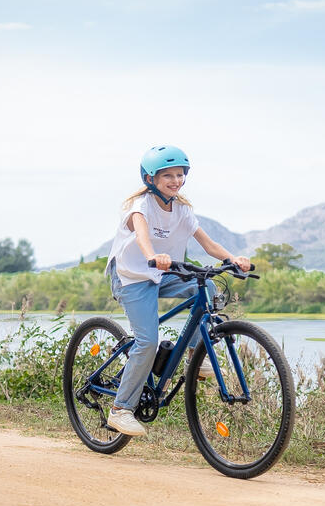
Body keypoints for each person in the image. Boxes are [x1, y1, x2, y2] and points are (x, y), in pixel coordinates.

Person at [104, 145, 251, 437]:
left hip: (163, 273)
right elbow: (143, 237)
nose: (175, 180)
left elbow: (208, 244)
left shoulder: (182, 209)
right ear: (150, 179)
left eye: (180, 175)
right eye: (167, 175)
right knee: (147, 341)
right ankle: (120, 410)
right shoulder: (140, 207)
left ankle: (196, 354)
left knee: (206, 285)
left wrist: (232, 259)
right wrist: (152, 255)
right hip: (131, 276)